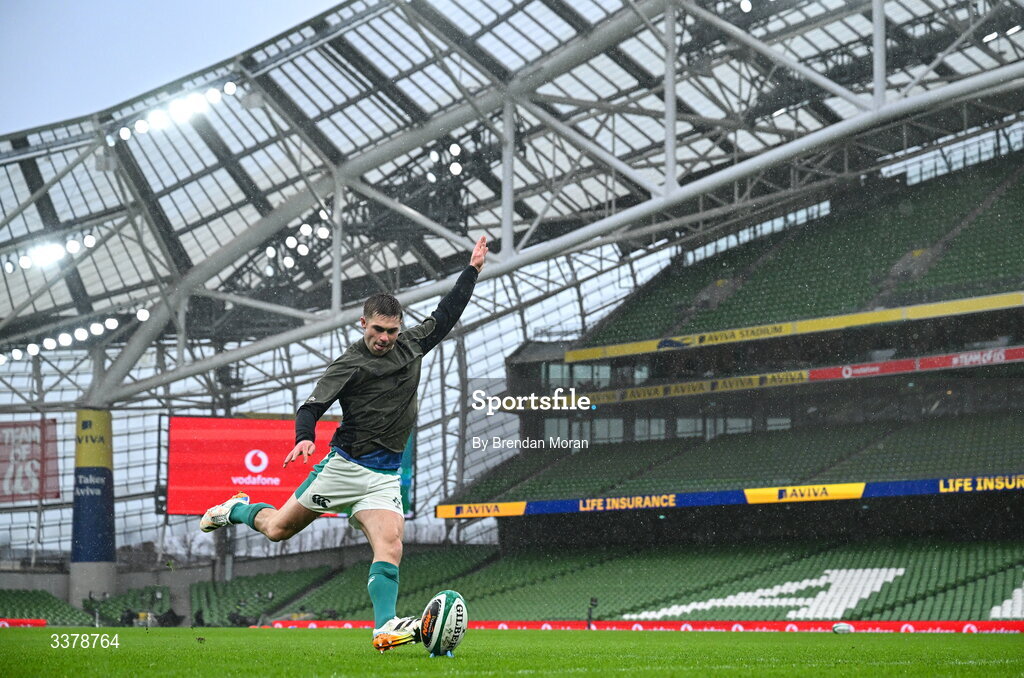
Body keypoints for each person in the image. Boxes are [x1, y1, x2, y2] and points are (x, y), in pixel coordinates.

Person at [199, 236, 489, 651]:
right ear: (362, 324)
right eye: (377, 330)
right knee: (278, 529)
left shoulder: (412, 344)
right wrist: (303, 438)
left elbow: (448, 312)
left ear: (399, 328)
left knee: (390, 544)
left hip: (384, 476)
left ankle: (384, 628)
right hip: (344, 468)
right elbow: (310, 407)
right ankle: (236, 509)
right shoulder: (349, 365)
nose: (385, 338)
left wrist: (472, 269)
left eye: (391, 330)